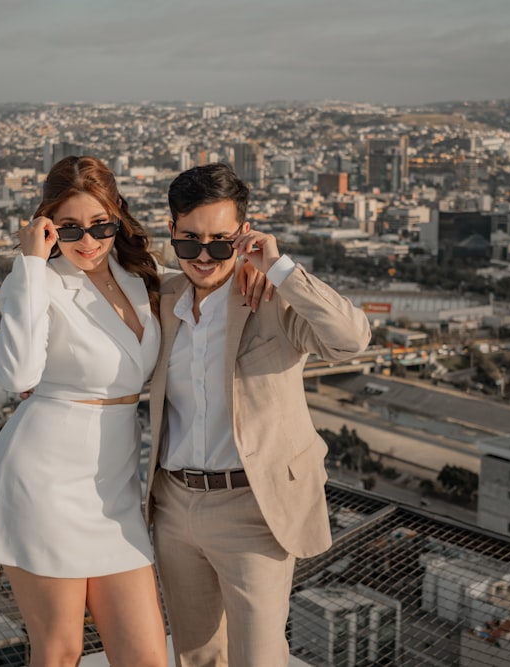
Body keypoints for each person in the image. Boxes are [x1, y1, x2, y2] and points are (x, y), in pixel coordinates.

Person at [144, 163, 372, 666]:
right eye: (190, 242)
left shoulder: (271, 299)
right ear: (172, 233)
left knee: (259, 659)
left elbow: (352, 339)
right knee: (196, 656)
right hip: (175, 507)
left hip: (253, 508)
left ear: (244, 235)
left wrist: (279, 269)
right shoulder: (163, 300)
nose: (204, 256)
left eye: (221, 243)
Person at [0, 155, 167, 667]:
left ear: (117, 215)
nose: (89, 240)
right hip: (46, 477)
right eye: (70, 228)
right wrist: (31, 263)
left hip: (114, 482)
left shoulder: (141, 276)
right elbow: (18, 376)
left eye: (101, 225)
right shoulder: (39, 280)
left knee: (146, 655)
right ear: (48, 225)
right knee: (59, 650)